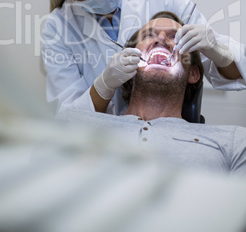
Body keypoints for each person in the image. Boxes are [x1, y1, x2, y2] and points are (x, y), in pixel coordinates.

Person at [38, 0, 246, 116]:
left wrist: (217, 50)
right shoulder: (58, 28)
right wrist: (103, 86)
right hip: (100, 142)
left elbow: (236, 73)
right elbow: (68, 117)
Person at [56, 11, 246, 175]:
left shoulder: (233, 140)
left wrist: (222, 52)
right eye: (148, 35)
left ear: (194, 74)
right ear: (128, 62)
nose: (161, 39)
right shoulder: (75, 126)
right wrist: (104, 83)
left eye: (174, 37)